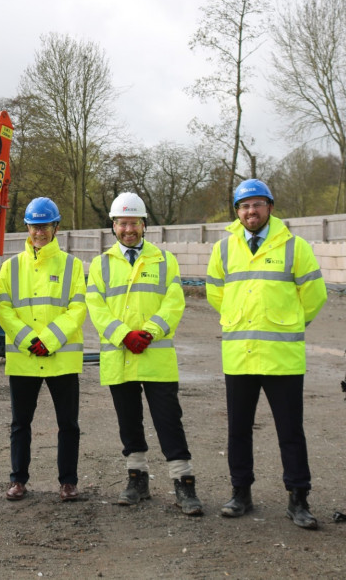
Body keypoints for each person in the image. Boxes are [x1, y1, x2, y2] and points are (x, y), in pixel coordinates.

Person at [206, 179, 327, 529]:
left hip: (282, 357)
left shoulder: (295, 246)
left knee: (290, 431)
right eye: (244, 206)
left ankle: (298, 499)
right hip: (240, 355)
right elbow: (216, 294)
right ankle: (240, 493)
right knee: (238, 430)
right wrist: (234, 319)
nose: (251, 211)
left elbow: (315, 295)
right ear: (237, 212)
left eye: (257, 204)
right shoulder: (224, 249)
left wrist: (288, 322)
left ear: (270, 207)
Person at [86, 192, 204, 516]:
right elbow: (95, 307)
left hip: (155, 356)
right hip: (120, 357)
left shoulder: (164, 260)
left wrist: (149, 332)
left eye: (134, 223)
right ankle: (136, 479)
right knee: (129, 423)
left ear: (143, 225)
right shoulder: (101, 264)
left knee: (169, 421)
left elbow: (174, 302)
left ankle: (184, 484)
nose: (128, 229)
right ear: (113, 225)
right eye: (122, 223)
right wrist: (124, 335)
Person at [0, 197, 86, 502]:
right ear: (27, 228)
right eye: (35, 226)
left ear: (56, 227)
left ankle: (68, 482)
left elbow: (77, 307)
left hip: (61, 358)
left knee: (68, 424)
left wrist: (48, 340)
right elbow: (4, 308)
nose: (40, 232)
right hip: (24, 358)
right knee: (21, 423)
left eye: (45, 226)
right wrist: (27, 340)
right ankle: (18, 480)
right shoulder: (10, 267)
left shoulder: (72, 265)